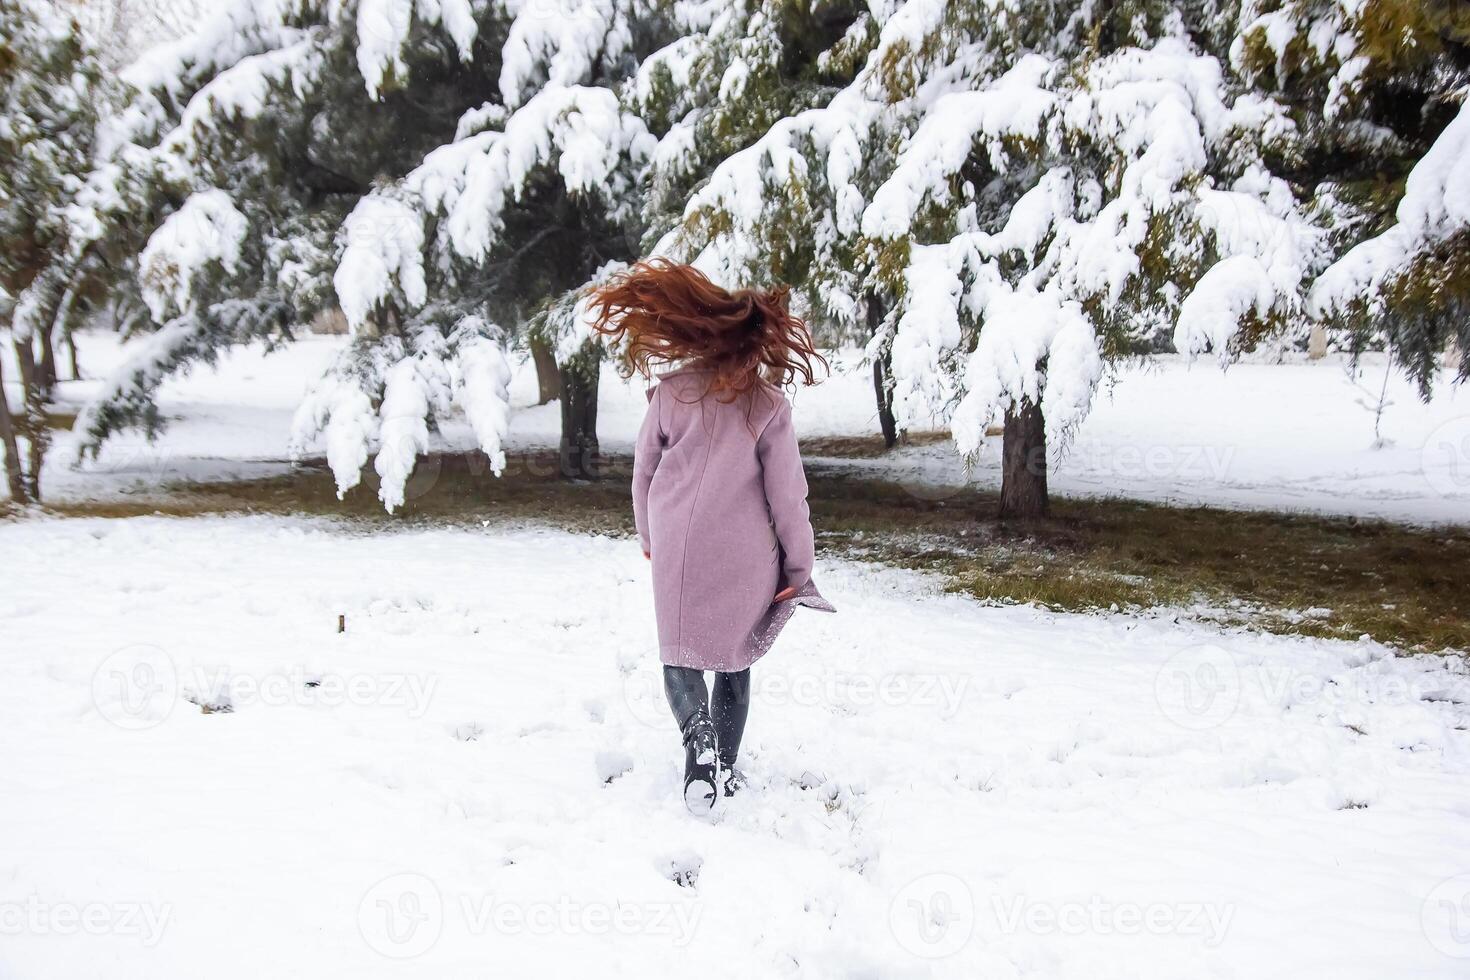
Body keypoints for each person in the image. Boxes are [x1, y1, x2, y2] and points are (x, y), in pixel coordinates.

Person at [589, 258, 835, 812]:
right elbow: (788, 496)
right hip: (746, 553)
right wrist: (798, 567)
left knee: (678, 655)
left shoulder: (671, 392)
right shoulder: (769, 405)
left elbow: (644, 472)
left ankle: (696, 738)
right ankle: (721, 767)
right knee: (734, 658)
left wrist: (649, 535)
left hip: (678, 544)